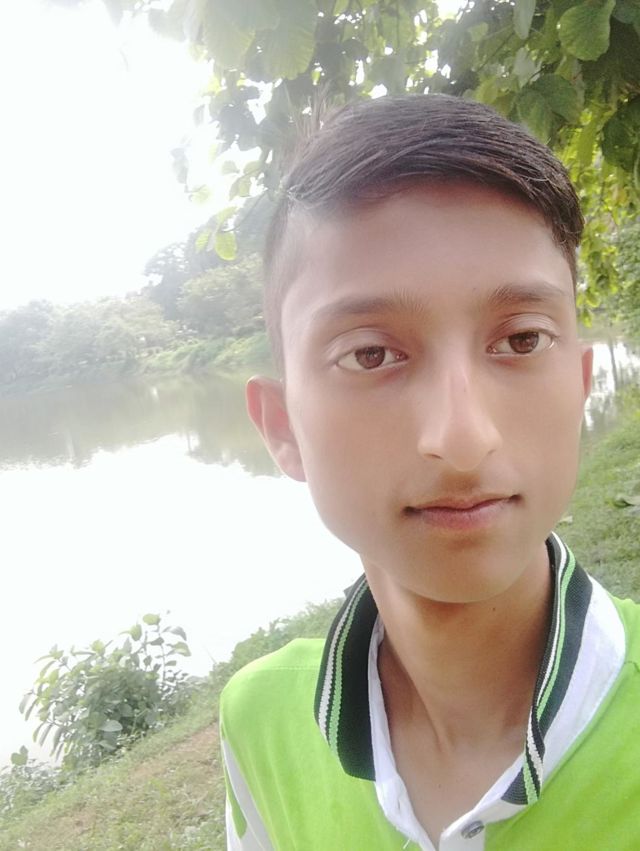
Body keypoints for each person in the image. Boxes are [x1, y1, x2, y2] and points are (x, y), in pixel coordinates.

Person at [219, 95, 640, 850]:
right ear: (282, 427)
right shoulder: (259, 725)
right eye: (371, 353)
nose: (463, 439)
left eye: (521, 340)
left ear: (580, 387)